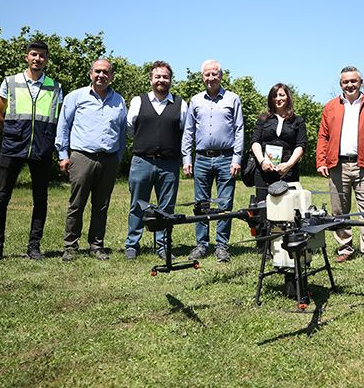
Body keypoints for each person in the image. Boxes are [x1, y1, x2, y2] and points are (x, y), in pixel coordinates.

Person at [0, 40, 62, 262]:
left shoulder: (55, 87)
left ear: (46, 59)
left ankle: (34, 247)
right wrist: (14, 133)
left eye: (41, 55)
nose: (37, 59)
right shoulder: (10, 82)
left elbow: (57, 118)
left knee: (41, 199)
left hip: (42, 148)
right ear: (26, 57)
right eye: (33, 54)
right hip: (13, 147)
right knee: (2, 198)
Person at [316, 66, 364, 267]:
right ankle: (345, 248)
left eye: (353, 81)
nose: (350, 85)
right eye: (345, 82)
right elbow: (323, 136)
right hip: (337, 164)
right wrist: (321, 161)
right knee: (340, 210)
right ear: (341, 84)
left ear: (360, 82)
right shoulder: (330, 107)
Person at [56, 59, 127, 261]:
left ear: (112, 76)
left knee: (101, 205)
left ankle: (96, 246)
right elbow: (63, 126)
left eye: (106, 72)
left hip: (109, 159)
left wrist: (118, 157)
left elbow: (122, 133)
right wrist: (63, 155)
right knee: (76, 204)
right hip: (82, 157)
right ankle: (70, 246)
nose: (101, 76)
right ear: (90, 74)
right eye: (97, 71)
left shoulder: (119, 101)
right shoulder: (76, 97)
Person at [181, 59, 244, 263]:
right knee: (201, 203)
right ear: (202, 77)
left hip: (226, 158)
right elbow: (189, 130)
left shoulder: (232, 99)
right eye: (207, 74)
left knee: (225, 203)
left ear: (221, 76)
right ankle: (201, 244)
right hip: (201, 158)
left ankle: (222, 246)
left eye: (214, 74)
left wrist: (237, 158)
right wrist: (186, 157)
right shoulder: (196, 100)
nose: (210, 78)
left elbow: (239, 129)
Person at [124, 61, 187, 261]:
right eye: (157, 76)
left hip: (169, 164)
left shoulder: (180, 104)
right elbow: (130, 128)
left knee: (166, 209)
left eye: (165, 77)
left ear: (170, 80)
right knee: (137, 205)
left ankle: (163, 246)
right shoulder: (138, 101)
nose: (161, 80)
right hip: (142, 161)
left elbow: (184, 132)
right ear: (151, 79)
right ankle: (132, 245)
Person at [250, 83, 308, 202]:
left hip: (288, 172)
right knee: (263, 208)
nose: (278, 98)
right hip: (264, 171)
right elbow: (255, 142)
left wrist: (288, 165)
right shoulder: (263, 119)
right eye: (274, 96)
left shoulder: (298, 121)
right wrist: (262, 161)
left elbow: (301, 145)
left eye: (281, 95)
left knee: (287, 209)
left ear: (288, 97)